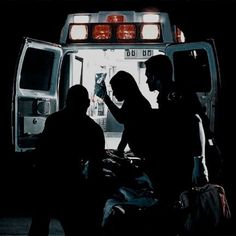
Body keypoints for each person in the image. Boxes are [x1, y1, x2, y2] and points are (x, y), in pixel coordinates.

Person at [143, 54, 209, 234]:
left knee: (184, 205)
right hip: (177, 160)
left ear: (156, 76)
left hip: (183, 161)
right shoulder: (167, 94)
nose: (147, 80)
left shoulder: (173, 94)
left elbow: (195, 122)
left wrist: (199, 162)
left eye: (149, 75)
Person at [29, 84, 106, 236]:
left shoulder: (53, 120)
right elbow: (96, 164)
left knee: (40, 223)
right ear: (87, 103)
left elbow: (41, 151)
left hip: (48, 179)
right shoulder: (93, 129)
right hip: (72, 183)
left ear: (66, 101)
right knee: (73, 226)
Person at [96, 70, 152, 158]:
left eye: (115, 89)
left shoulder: (136, 102)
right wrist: (120, 150)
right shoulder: (135, 101)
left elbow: (121, 118)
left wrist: (106, 99)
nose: (113, 94)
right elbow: (128, 129)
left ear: (123, 87)